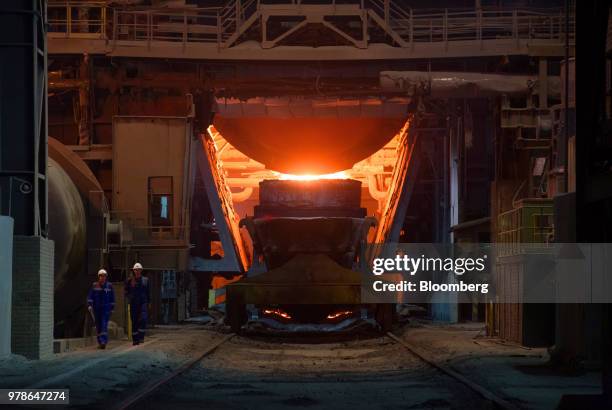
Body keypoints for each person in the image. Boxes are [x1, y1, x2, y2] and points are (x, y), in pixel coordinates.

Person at [87, 269, 115, 349]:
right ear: (99, 277)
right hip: (96, 309)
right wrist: (89, 305)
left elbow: (112, 297)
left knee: (103, 324)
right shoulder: (95, 285)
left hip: (105, 309)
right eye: (101, 276)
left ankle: (103, 342)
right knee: (98, 325)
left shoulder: (109, 286)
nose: (102, 278)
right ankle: (100, 342)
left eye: (104, 276)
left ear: (106, 277)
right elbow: (90, 296)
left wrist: (112, 308)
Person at [125, 262, 150, 345]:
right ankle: (135, 340)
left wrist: (149, 302)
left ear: (141, 270)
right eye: (136, 270)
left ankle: (141, 337)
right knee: (134, 321)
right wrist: (129, 297)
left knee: (143, 319)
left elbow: (148, 292)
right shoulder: (129, 281)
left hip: (143, 303)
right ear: (133, 270)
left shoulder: (145, 280)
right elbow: (126, 291)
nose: (137, 271)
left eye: (139, 270)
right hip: (133, 304)